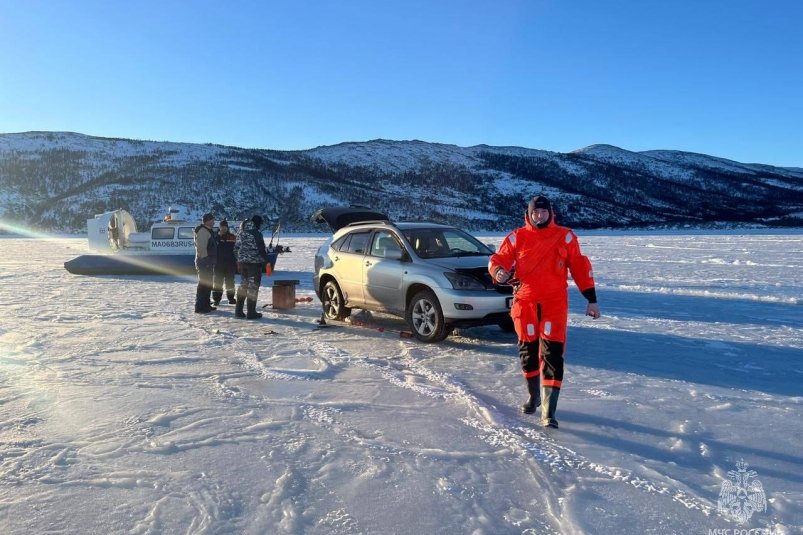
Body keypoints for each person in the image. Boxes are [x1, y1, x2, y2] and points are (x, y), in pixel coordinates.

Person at [489, 195, 600, 429]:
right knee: (528, 353)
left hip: (554, 304)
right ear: (528, 214)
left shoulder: (565, 236)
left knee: (552, 354)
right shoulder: (516, 237)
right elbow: (498, 259)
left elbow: (580, 267)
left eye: (543, 212)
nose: (539, 216)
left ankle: (549, 411)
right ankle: (533, 396)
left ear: (551, 213)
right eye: (535, 212)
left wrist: (591, 299)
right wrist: (499, 272)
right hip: (525, 304)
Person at [234, 215, 269, 319]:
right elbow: (261, 250)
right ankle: (251, 312)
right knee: (253, 288)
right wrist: (267, 261)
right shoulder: (257, 234)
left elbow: (235, 248)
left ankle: (238, 311)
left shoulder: (240, 232)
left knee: (243, 286)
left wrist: (239, 259)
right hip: (253, 265)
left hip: (242, 264)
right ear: (257, 223)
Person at [193, 213, 218, 314]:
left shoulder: (208, 231)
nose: (213, 222)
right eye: (212, 220)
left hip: (208, 262)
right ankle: (200, 307)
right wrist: (206, 260)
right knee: (203, 285)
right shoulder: (203, 231)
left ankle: (206, 305)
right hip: (204, 262)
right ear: (207, 221)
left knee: (208, 285)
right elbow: (201, 248)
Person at [212, 220, 237, 306]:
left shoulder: (232, 237)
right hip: (218, 264)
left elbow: (237, 249)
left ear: (227, 227)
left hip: (230, 264)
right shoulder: (215, 238)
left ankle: (231, 298)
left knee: (230, 282)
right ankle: (216, 299)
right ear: (219, 227)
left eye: (225, 227)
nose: (223, 228)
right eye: (222, 227)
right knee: (217, 282)